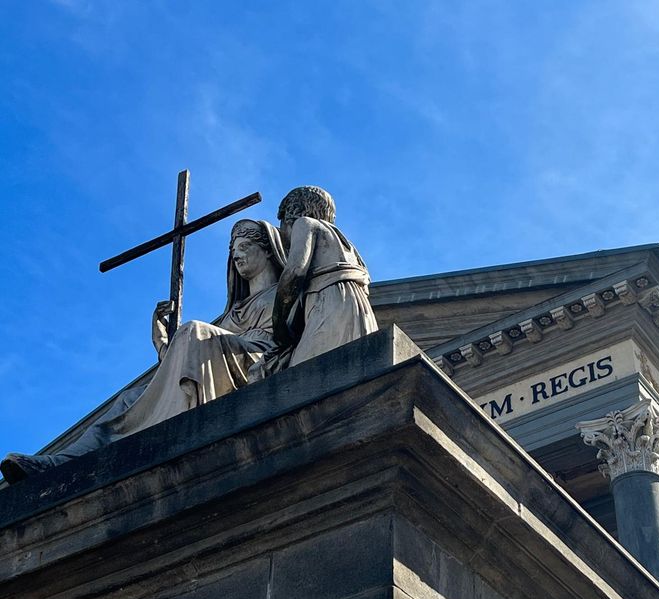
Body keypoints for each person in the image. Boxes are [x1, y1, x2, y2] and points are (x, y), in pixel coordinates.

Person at [1, 219, 287, 484]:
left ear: (268, 251)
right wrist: (163, 342)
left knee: (194, 332)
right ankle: (58, 465)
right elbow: (191, 364)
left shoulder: (283, 293)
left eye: (244, 247)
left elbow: (279, 341)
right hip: (221, 360)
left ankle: (169, 436)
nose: (236, 255)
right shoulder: (230, 314)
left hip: (257, 361)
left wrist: (189, 340)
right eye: (233, 250)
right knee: (129, 400)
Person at [251, 186, 378, 378]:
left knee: (301, 377)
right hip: (358, 310)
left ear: (290, 215)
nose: (282, 234)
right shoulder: (348, 246)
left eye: (282, 224)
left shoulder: (305, 224)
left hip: (329, 304)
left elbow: (294, 271)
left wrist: (279, 325)